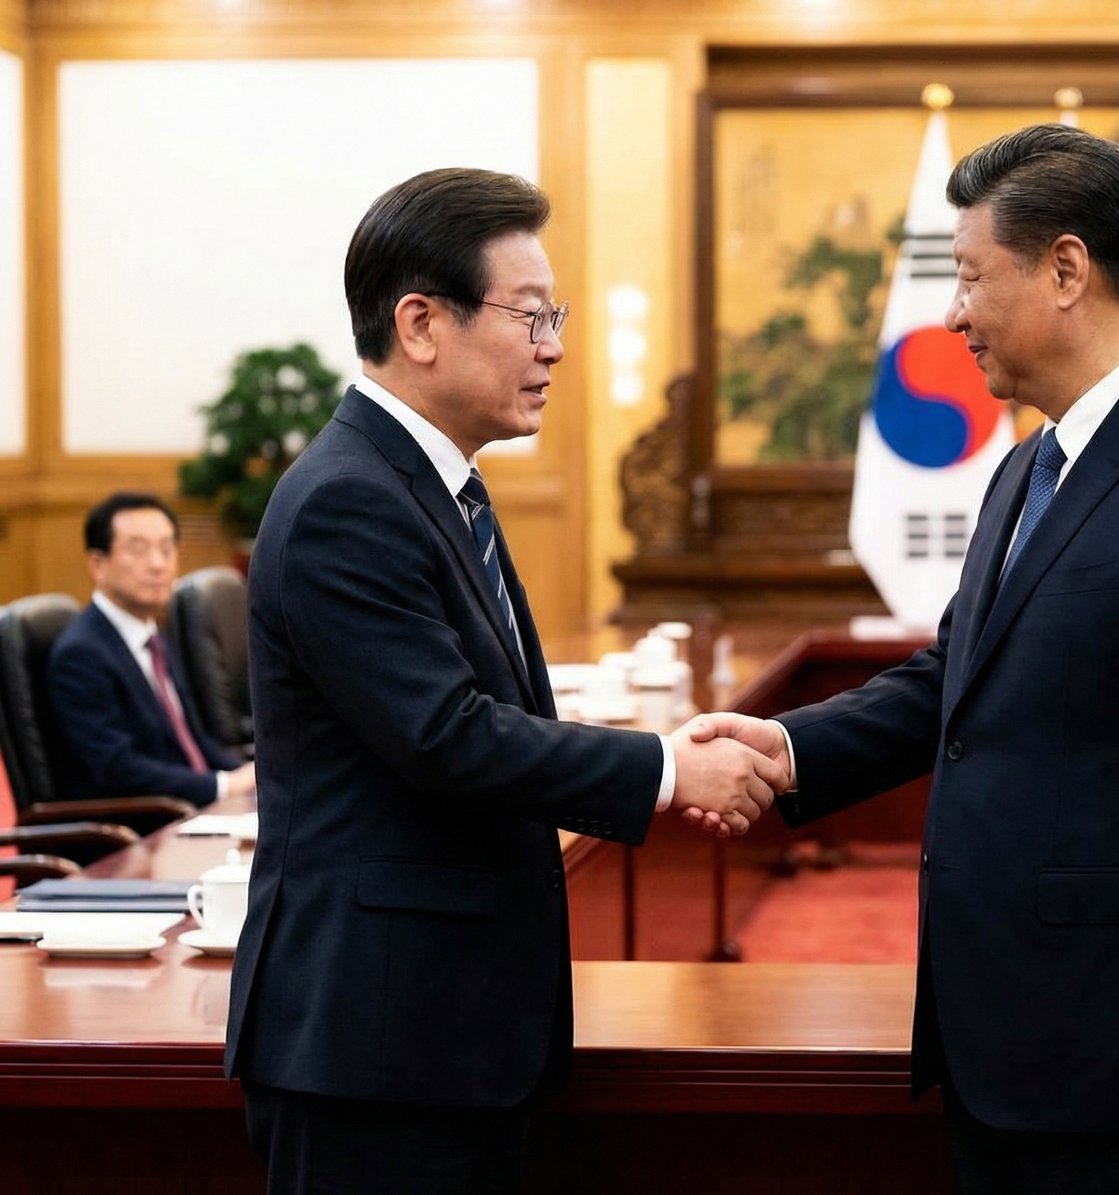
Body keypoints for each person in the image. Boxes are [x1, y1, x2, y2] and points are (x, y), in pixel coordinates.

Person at [691, 123, 1119, 1194]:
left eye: (973, 277)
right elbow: (960, 681)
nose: (953, 313)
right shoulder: (1031, 462)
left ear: (1067, 269)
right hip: (1013, 1033)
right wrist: (789, 747)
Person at [225, 167, 782, 1194]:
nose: (554, 345)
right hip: (375, 1048)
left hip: (440, 1035)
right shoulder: (350, 502)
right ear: (422, 323)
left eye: (555, 314)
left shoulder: (437, 489)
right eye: (529, 315)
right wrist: (666, 768)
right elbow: (446, 735)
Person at [48, 492, 253, 809]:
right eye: (138, 550)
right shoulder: (81, 654)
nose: (158, 564)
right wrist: (221, 786)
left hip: (187, 813)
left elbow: (190, 742)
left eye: (167, 549)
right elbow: (116, 768)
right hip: (134, 831)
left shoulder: (154, 637)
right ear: (98, 564)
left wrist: (245, 775)